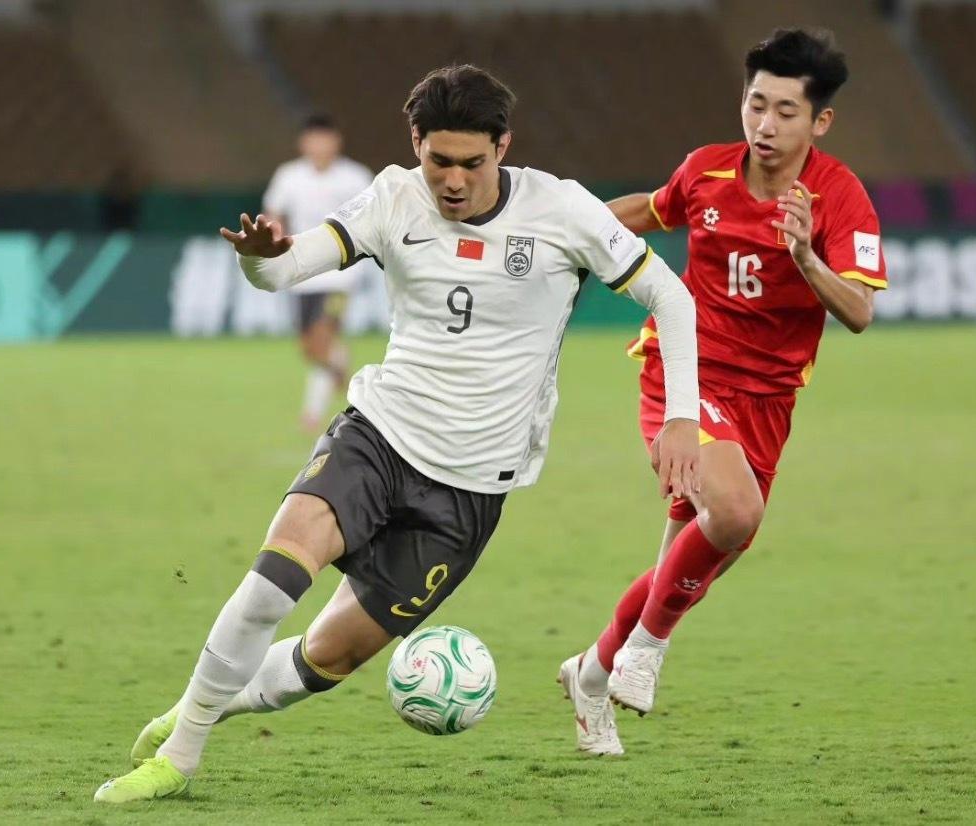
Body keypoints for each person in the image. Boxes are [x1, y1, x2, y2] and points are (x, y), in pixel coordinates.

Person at [93, 64, 701, 803]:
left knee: (329, 658)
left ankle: (202, 706)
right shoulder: (392, 197)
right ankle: (180, 756)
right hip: (379, 437)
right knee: (272, 582)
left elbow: (670, 297)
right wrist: (259, 258)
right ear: (415, 143)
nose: (453, 180)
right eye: (438, 159)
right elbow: (285, 271)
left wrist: (682, 416)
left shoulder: (563, 210)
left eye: (472, 162)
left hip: (471, 490)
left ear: (503, 148)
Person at [558, 29, 886, 757]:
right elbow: (651, 210)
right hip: (684, 371)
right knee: (735, 512)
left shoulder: (839, 196)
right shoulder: (707, 170)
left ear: (820, 121)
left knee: (689, 562)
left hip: (767, 403)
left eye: (785, 111)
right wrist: (562, 229)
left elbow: (860, 311)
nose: (764, 124)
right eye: (755, 103)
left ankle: (591, 673)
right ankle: (645, 652)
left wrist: (805, 256)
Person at [261, 114, 379, 432]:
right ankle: (339, 365)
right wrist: (271, 239)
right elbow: (274, 215)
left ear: (337, 141)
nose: (320, 145)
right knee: (309, 348)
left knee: (322, 337)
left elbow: (375, 216)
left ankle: (312, 414)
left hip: (342, 274)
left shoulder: (355, 177)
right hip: (302, 272)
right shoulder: (289, 176)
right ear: (303, 143)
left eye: (325, 138)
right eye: (314, 139)